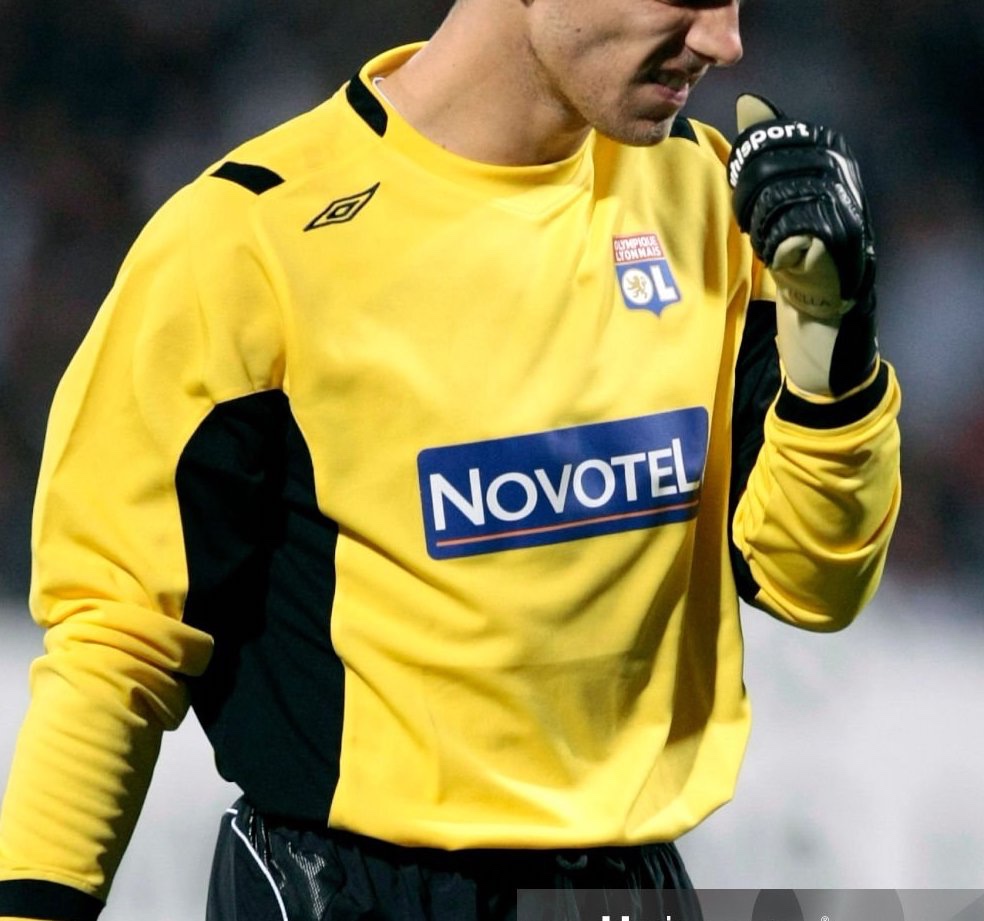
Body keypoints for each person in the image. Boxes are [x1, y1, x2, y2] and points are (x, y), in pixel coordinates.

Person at [0, 0, 901, 919]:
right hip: (347, 893)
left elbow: (811, 584)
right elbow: (115, 644)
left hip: (632, 891)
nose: (726, 40)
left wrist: (831, 341)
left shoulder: (714, 200)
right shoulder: (249, 242)